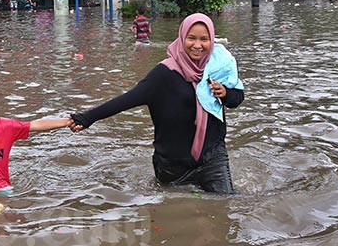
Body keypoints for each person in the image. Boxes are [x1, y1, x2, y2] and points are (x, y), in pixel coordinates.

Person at [70, 13, 244, 194]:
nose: (198, 45)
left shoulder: (219, 67)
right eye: (191, 38)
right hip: (172, 165)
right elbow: (126, 100)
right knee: (173, 214)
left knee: (226, 203)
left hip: (212, 156)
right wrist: (87, 118)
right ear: (182, 37)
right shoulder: (164, 74)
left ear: (212, 41)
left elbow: (237, 99)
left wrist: (226, 94)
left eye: (204, 39)